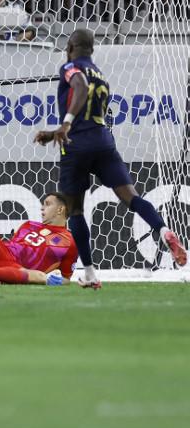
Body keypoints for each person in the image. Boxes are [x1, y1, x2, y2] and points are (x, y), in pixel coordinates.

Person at [34, 29, 188, 288]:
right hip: (103, 143)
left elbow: (80, 86)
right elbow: (90, 110)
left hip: (76, 145)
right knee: (132, 197)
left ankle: (90, 273)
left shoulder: (70, 68)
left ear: (70, 47)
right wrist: (54, 133)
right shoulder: (101, 76)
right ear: (92, 50)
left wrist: (65, 124)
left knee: (75, 210)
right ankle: (163, 230)